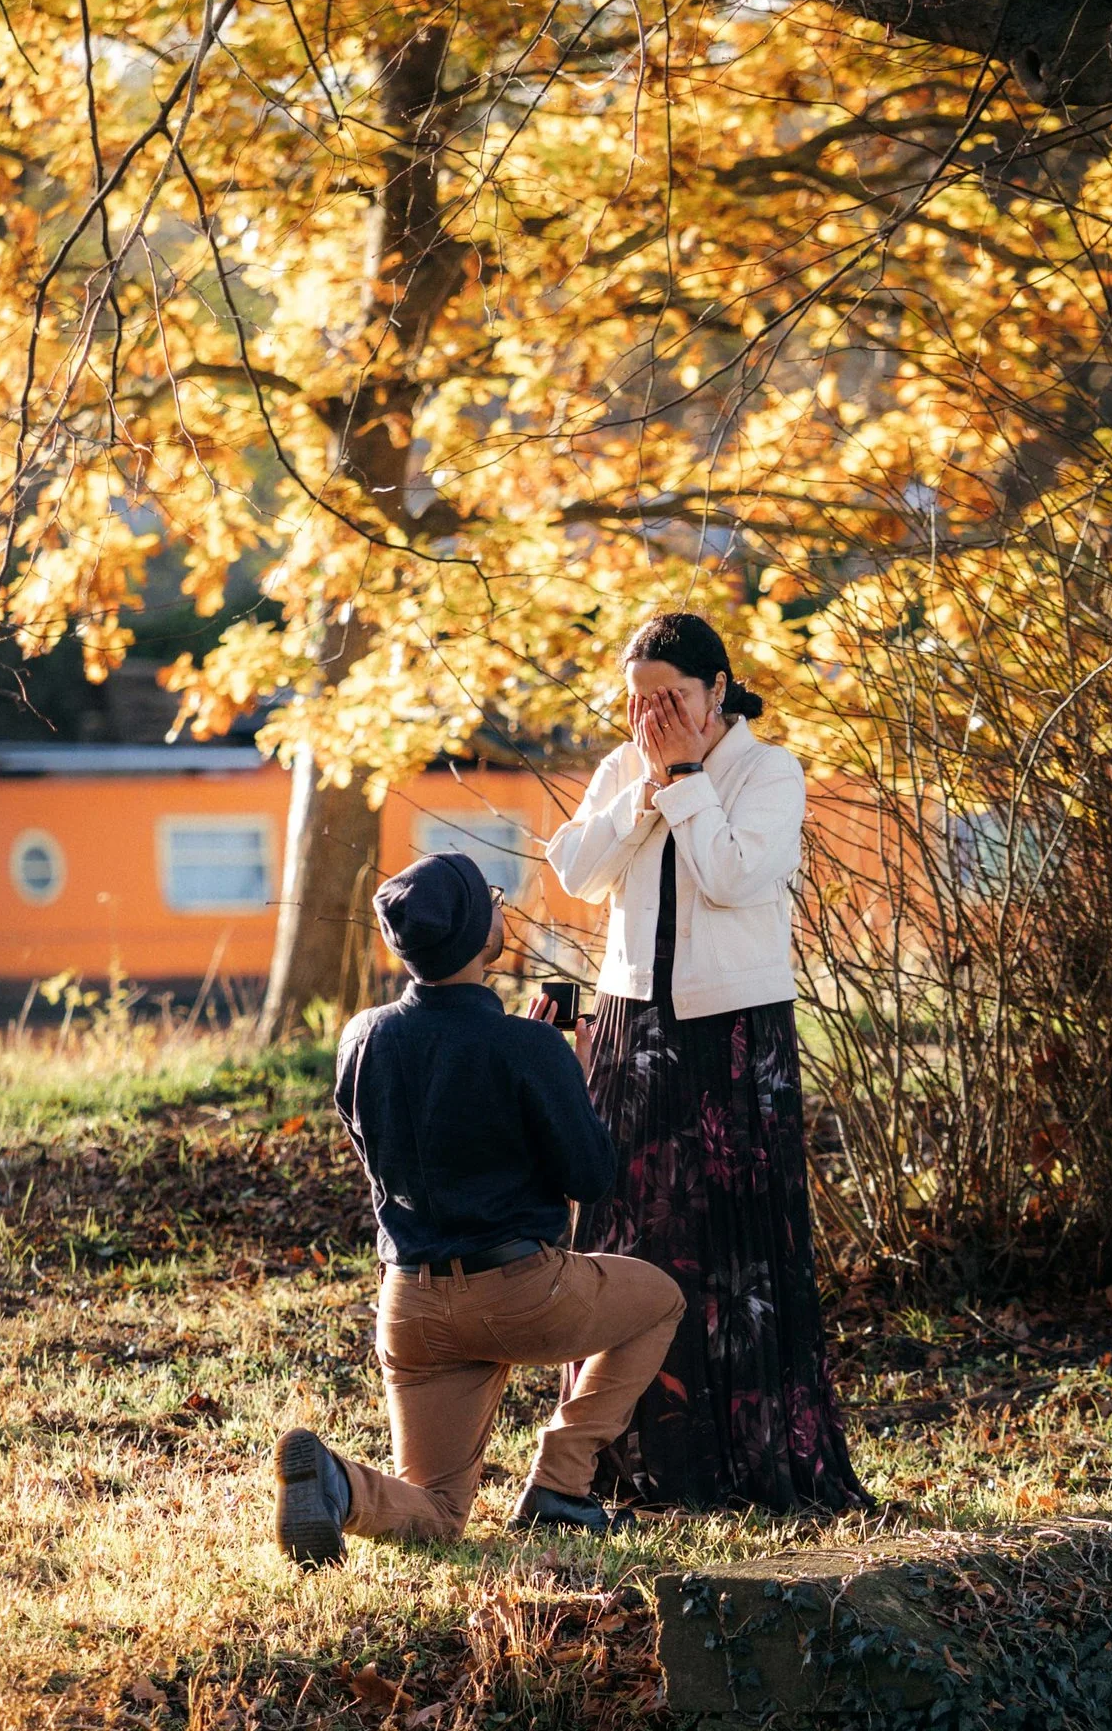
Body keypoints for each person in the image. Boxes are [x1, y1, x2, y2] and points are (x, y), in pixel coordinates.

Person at [272, 847, 684, 1563]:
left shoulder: (360, 1039)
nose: (502, 907)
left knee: (437, 1512)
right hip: (522, 1295)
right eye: (491, 899)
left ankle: (340, 1486)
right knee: (660, 1299)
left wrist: (529, 1059)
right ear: (473, 932)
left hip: (410, 1307)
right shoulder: (528, 1048)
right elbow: (590, 1176)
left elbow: (391, 1149)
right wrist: (566, 1078)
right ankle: (561, 1482)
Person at [546, 610, 865, 1515]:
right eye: (639, 701)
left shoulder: (770, 771)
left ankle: (744, 1462)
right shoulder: (625, 762)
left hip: (732, 1037)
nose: (652, 717)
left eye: (671, 699)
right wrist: (641, 791)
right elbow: (574, 870)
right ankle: (615, 1462)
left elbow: (732, 876)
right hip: (628, 1026)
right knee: (626, 1239)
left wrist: (685, 780)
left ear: (716, 690)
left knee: (734, 1249)